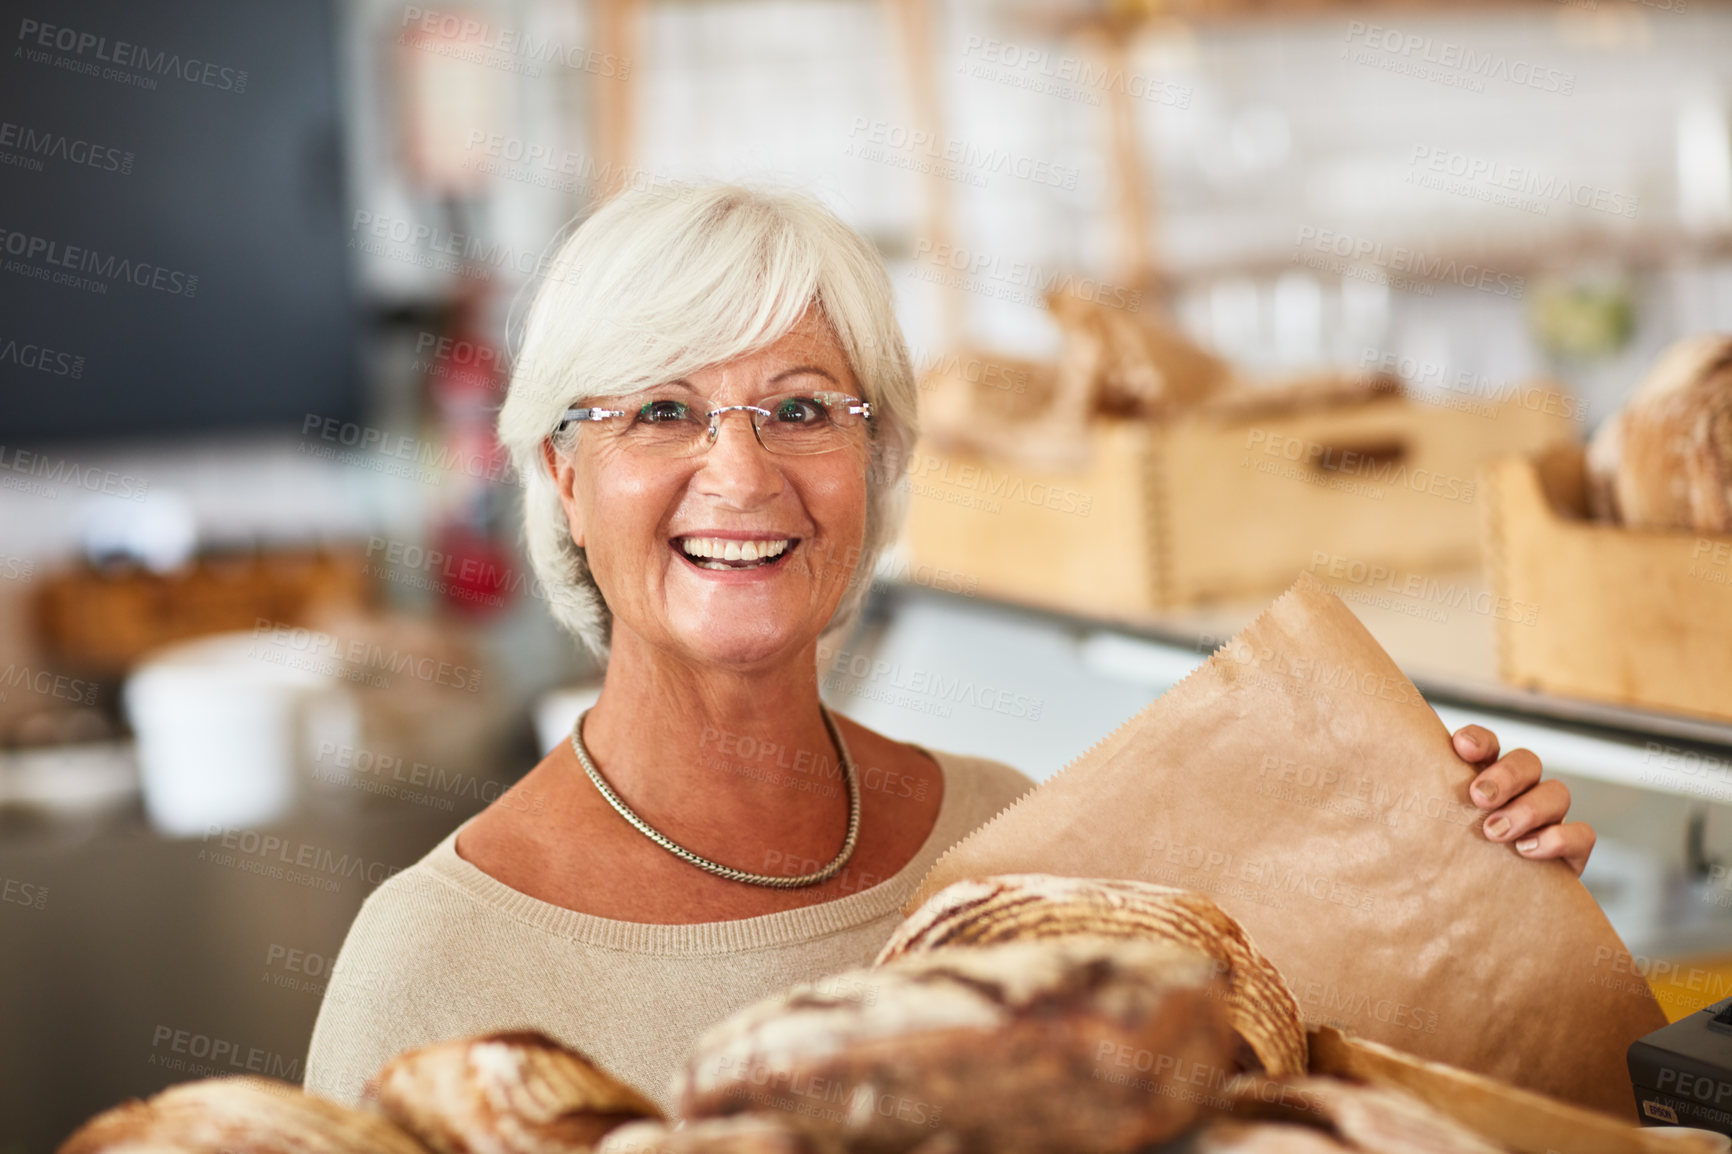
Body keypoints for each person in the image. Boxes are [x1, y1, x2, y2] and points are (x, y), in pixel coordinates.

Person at [303, 184, 1594, 1106]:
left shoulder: (1006, 837)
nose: (740, 472)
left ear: (876, 464)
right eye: (662, 411)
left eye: (802, 408)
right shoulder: (428, 963)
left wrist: (1466, 871)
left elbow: (1270, 1096)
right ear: (561, 473)